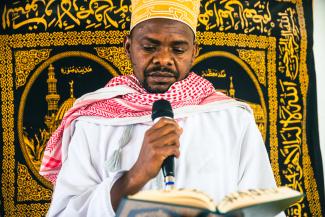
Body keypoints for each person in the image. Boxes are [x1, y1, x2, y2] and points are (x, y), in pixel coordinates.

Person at [40, 0, 282, 216]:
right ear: (128, 48)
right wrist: (135, 176)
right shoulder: (93, 122)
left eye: (178, 49)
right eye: (149, 47)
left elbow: (263, 210)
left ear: (194, 52)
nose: (163, 59)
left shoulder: (232, 119)